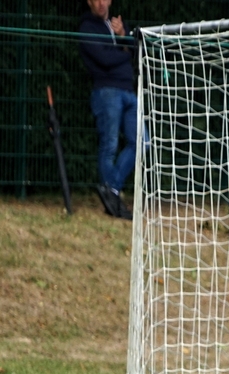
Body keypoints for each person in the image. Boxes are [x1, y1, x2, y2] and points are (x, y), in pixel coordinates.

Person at [79, 0, 136, 220]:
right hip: (106, 91)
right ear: (89, 2)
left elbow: (135, 49)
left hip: (129, 90)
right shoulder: (86, 28)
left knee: (142, 142)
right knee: (109, 145)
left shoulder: (119, 25)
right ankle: (112, 201)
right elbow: (105, 60)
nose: (100, 3)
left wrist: (123, 37)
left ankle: (110, 189)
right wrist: (126, 51)